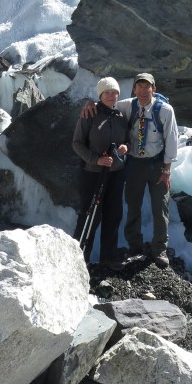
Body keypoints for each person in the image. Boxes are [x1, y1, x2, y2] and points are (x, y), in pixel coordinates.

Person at [82, 72, 179, 268]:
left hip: (158, 164)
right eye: (139, 87)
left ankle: (159, 248)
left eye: (147, 87)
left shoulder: (165, 110)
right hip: (134, 164)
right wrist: (89, 103)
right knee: (133, 206)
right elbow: (106, 103)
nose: (143, 91)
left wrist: (167, 170)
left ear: (154, 89)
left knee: (160, 207)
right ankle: (135, 246)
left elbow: (172, 139)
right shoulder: (127, 105)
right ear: (134, 89)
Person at [72, 76, 129, 270]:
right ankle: (78, 259)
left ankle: (109, 257)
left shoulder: (120, 117)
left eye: (114, 93)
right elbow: (77, 143)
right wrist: (96, 159)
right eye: (107, 92)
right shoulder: (90, 113)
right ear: (100, 95)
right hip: (93, 174)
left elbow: (127, 140)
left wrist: (125, 147)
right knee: (89, 216)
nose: (111, 96)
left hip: (116, 173)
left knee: (113, 215)